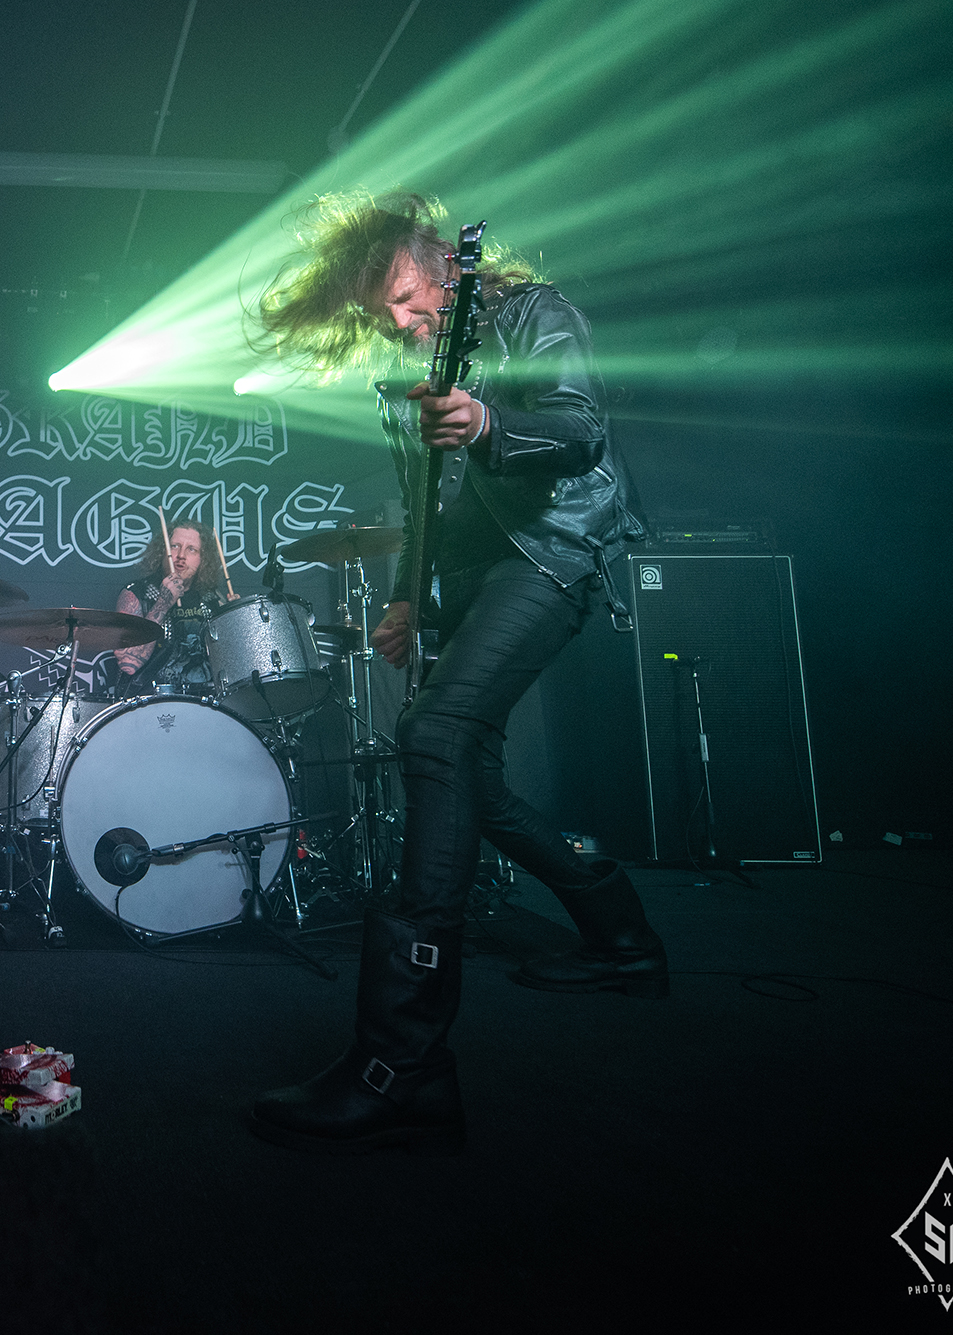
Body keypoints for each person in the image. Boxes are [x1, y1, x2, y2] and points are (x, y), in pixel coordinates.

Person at [244, 192, 666, 1154]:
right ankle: (624, 938)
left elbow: (580, 429)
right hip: (477, 576)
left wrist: (485, 422)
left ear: (440, 259)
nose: (400, 320)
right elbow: (424, 500)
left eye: (404, 296)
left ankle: (402, 1063)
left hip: (554, 555)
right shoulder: (425, 367)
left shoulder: (535, 313)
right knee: (471, 774)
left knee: (432, 735)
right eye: (383, 312)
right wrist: (406, 598)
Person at [110, 519, 229, 696]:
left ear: (202, 559)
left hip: (201, 703)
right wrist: (163, 603)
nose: (181, 555)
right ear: (162, 551)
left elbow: (231, 665)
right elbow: (128, 664)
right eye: (175, 546)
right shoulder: (137, 594)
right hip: (148, 701)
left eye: (191, 549)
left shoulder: (211, 599)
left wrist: (235, 618)